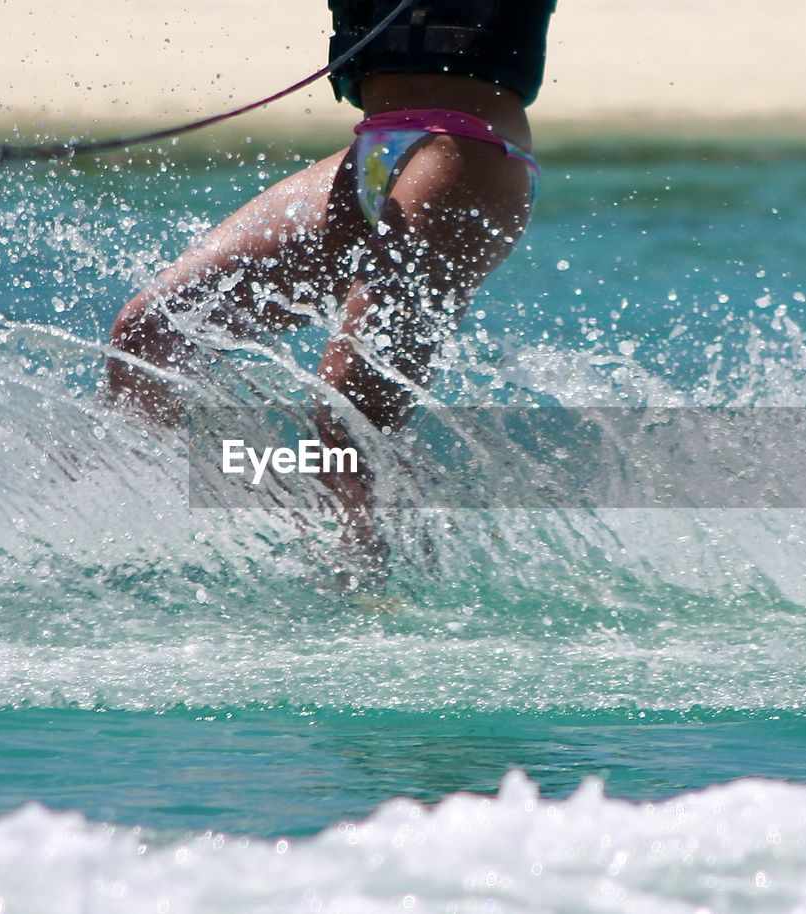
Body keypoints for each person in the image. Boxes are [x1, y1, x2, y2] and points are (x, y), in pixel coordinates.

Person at [107, 0, 555, 548]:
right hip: (370, 147)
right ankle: (161, 540)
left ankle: (372, 591)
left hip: (466, 152)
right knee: (153, 331)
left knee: (349, 404)